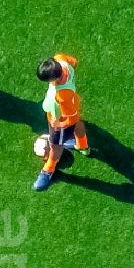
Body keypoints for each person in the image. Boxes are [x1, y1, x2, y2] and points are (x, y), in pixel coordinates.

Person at [33, 54, 89, 192]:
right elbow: (74, 61)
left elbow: (71, 115)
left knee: (56, 144)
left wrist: (58, 124)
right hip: (74, 104)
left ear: (55, 79)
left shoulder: (62, 95)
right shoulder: (61, 60)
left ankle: (48, 170)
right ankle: (83, 146)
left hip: (61, 119)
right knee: (78, 125)